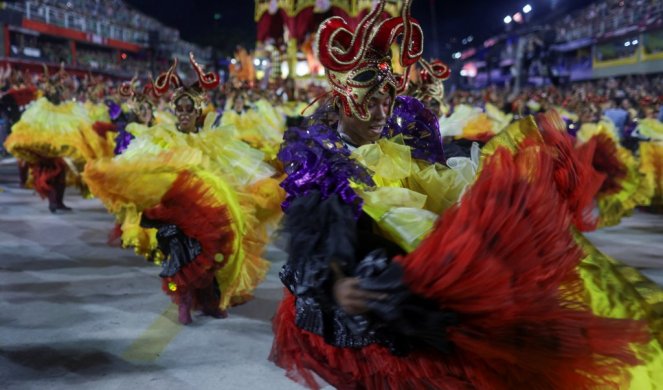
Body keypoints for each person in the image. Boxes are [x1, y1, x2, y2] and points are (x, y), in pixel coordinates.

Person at [269, 1, 650, 388]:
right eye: (371, 102)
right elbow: (316, 229)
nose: (382, 112)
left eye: (388, 100)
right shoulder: (320, 154)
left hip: (411, 262)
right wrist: (336, 282)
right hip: (371, 280)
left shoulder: (398, 142)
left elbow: (438, 185)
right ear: (343, 99)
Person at [83, 54, 280, 324]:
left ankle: (210, 300)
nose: (184, 115)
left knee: (214, 257)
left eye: (189, 110)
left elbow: (237, 169)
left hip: (210, 213)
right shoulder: (162, 138)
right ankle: (182, 301)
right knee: (180, 261)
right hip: (175, 214)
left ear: (198, 112)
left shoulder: (213, 140)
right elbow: (139, 165)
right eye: (180, 110)